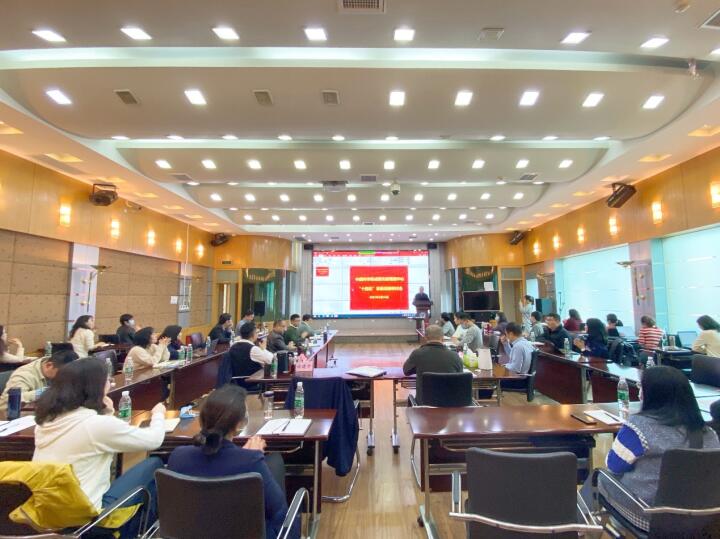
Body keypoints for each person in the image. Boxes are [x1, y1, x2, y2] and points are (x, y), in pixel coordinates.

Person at [33, 358, 166, 537]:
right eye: (107, 380)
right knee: (154, 464)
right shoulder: (94, 424)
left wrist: (107, 412)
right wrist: (158, 415)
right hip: (86, 513)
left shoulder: (45, 422)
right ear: (96, 386)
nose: (110, 383)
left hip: (46, 510)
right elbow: (154, 440)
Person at [597, 366, 720, 532]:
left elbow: (613, 466)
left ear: (651, 394)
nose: (639, 393)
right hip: (704, 518)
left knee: (600, 476)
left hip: (651, 516)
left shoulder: (638, 427)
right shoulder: (709, 433)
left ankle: (584, 529)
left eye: (641, 388)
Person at [167, 385, 295, 539]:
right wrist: (251, 456)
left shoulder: (177, 456)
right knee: (275, 461)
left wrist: (246, 455)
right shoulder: (252, 462)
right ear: (240, 423)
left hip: (190, 533)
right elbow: (279, 510)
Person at [0, 350, 78, 413]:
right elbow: (6, 403)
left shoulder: (61, 367)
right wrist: (44, 392)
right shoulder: (24, 375)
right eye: (62, 374)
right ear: (49, 365)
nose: (65, 378)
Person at [402, 324, 463, 405]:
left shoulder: (417, 354)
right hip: (450, 404)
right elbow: (460, 375)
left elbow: (406, 371)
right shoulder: (454, 355)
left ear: (425, 338)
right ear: (443, 338)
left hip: (424, 405)